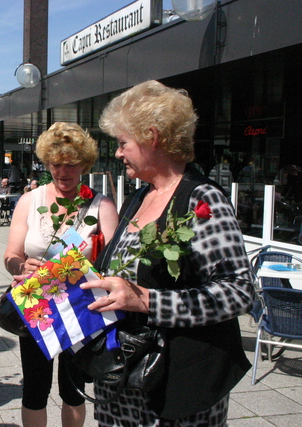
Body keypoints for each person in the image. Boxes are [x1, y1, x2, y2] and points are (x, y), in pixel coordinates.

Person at [84, 80, 254, 426]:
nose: (117, 153)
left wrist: (147, 300)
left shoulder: (201, 199)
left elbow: (238, 291)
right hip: (124, 381)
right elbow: (124, 276)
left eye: (123, 143)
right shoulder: (137, 198)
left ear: (152, 137)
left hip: (177, 385)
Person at [3, 121, 119, 427]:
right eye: (55, 164)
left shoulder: (101, 205)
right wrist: (19, 266)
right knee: (35, 388)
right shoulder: (31, 201)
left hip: (80, 308)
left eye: (71, 165)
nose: (62, 172)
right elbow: (11, 255)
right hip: (36, 305)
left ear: (84, 162)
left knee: (74, 389)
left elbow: (115, 264)